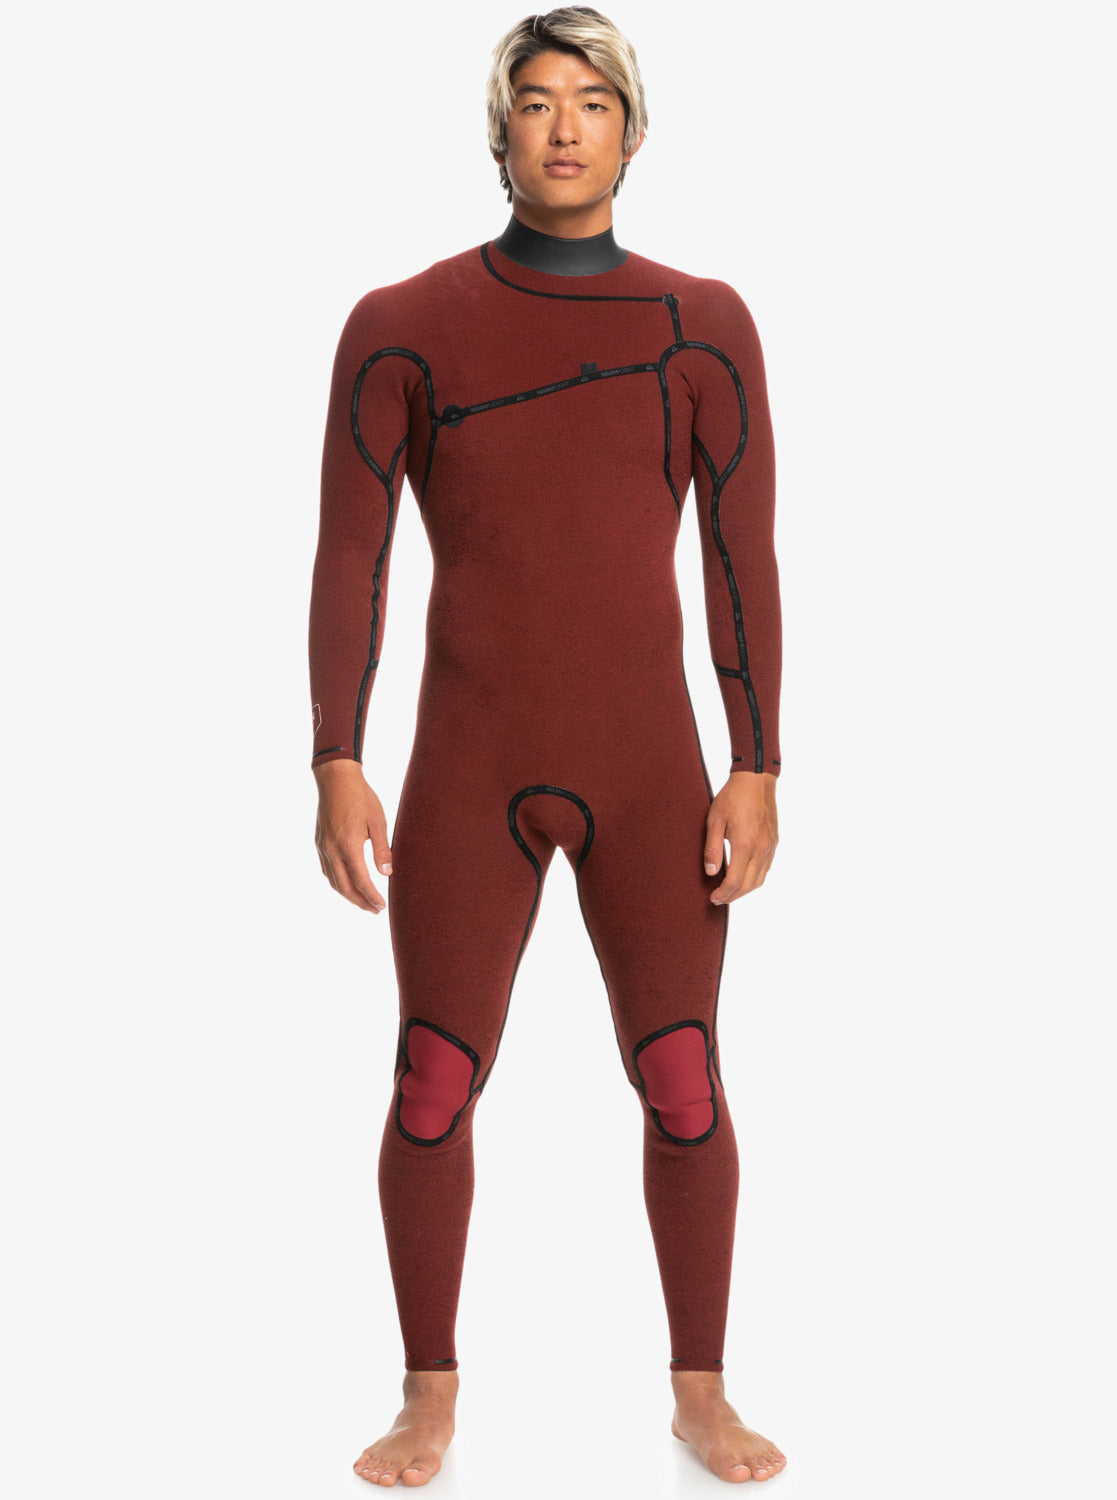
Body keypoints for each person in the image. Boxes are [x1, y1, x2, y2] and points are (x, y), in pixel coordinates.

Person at [309, 6, 788, 1486]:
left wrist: (757, 763)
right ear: (498, 130)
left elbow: (741, 558)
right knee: (431, 1080)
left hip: (651, 769)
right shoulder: (402, 322)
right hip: (467, 765)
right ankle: (428, 1393)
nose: (564, 124)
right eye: (534, 100)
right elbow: (350, 557)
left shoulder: (701, 321)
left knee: (683, 1076)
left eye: (592, 100)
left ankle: (699, 1391)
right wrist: (336, 756)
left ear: (632, 134)